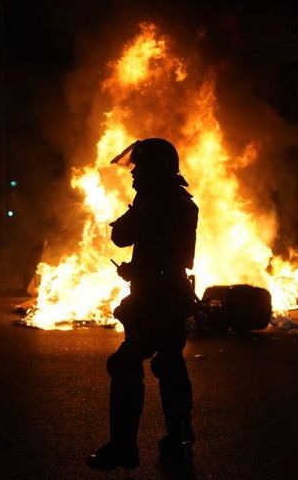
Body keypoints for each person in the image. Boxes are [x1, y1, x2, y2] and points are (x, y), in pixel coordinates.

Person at [86, 138, 199, 470]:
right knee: (170, 364)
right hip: (173, 293)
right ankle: (180, 441)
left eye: (140, 168)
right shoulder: (183, 201)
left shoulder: (154, 202)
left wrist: (138, 210)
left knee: (125, 364)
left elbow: (121, 236)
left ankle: (123, 447)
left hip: (154, 297)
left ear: (155, 169)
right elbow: (169, 251)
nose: (134, 174)